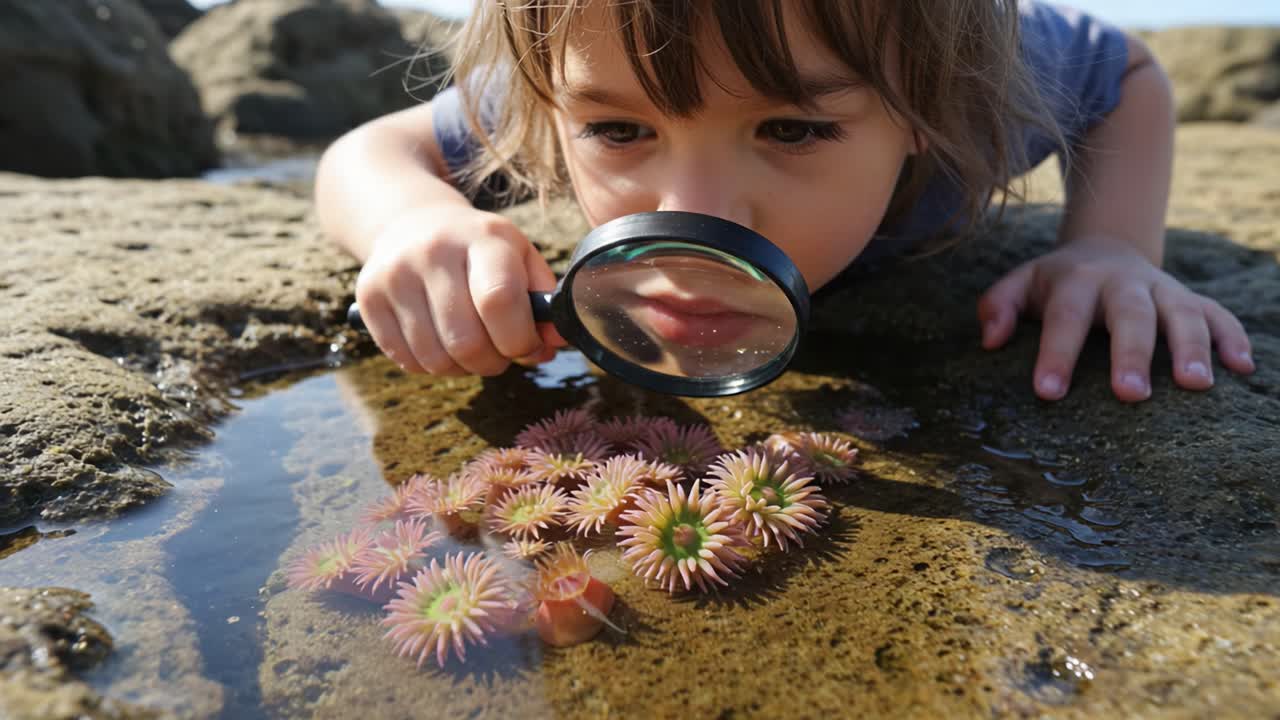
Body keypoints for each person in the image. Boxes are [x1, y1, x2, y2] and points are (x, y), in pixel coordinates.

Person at [315, 0, 1255, 403]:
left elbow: (1127, 73)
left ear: (932, 105)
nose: (699, 210)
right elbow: (372, 149)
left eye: (792, 131)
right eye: (618, 133)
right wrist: (414, 221)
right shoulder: (576, 65)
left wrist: (1111, 247)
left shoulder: (987, 77)